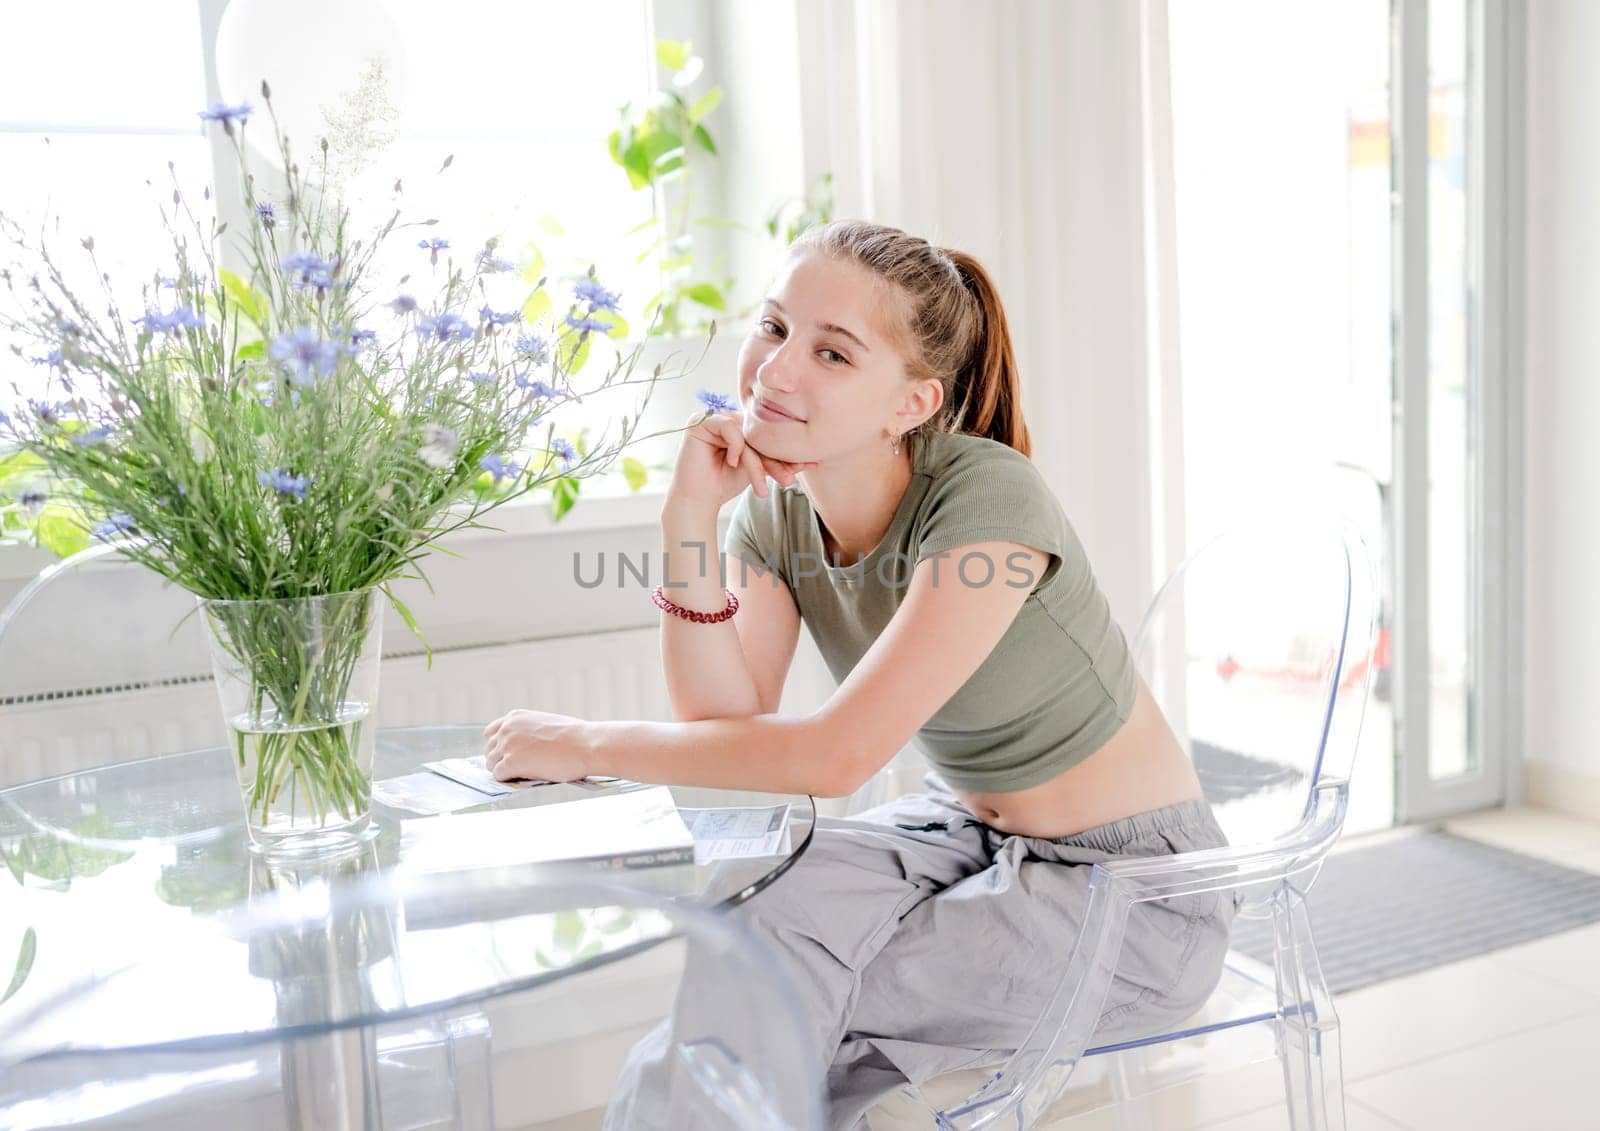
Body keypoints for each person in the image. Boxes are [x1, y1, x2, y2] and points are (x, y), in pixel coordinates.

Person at [483, 219, 1240, 1129]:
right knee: (751, 903)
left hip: (1138, 893)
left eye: (832, 353)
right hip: (964, 834)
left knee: (773, 989)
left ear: (912, 405)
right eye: (773, 327)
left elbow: (833, 757)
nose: (775, 369)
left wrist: (585, 744)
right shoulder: (774, 519)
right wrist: (688, 515)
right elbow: (724, 720)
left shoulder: (986, 500)